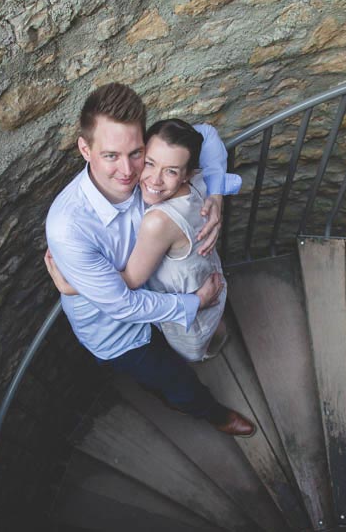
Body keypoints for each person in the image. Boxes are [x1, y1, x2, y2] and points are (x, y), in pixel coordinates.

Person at [45, 83, 254, 437]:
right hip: (120, 332)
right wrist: (193, 302)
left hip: (154, 291)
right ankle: (212, 413)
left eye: (136, 152)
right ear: (85, 148)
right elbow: (122, 306)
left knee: (171, 367)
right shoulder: (69, 227)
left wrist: (216, 194)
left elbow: (204, 134)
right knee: (174, 380)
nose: (128, 171)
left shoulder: (149, 175)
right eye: (111, 155)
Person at [49, 118, 229, 362]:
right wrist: (216, 194)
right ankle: (218, 341)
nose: (155, 179)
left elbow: (131, 281)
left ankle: (213, 349)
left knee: (198, 348)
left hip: (195, 298)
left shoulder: (158, 221)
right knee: (214, 329)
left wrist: (70, 287)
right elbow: (206, 132)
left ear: (187, 174)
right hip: (207, 275)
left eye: (171, 171)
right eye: (149, 163)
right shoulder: (196, 181)